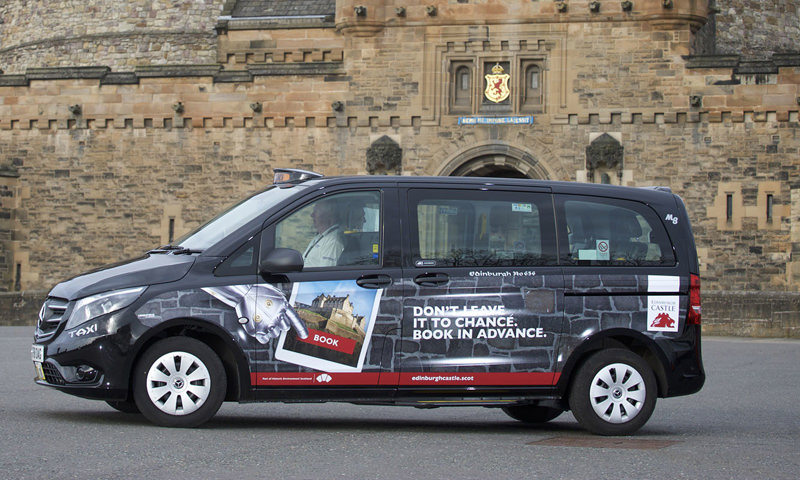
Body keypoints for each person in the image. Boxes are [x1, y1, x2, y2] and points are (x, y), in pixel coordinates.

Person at [302, 199, 344, 267]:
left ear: (329, 215)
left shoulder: (332, 242)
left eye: (316, 211)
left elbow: (326, 274)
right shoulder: (321, 236)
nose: (312, 215)